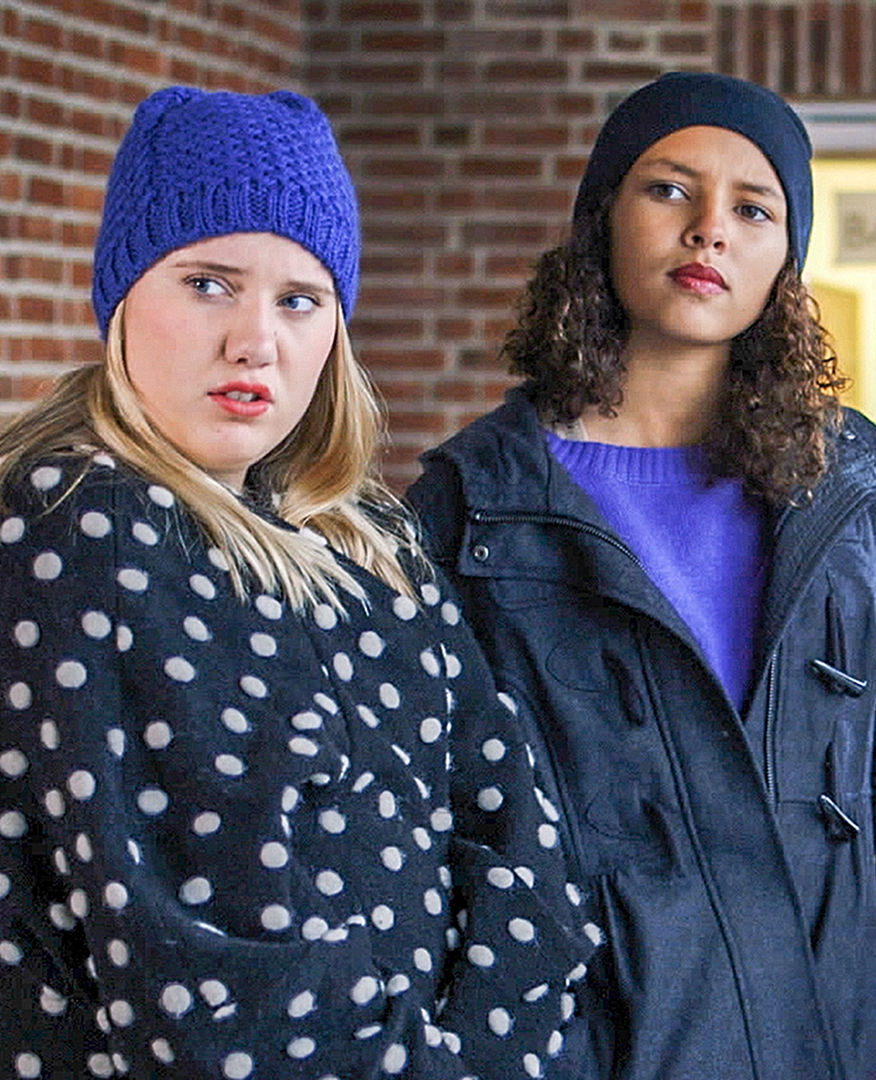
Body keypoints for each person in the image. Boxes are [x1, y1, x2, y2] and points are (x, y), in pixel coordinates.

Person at [0, 86, 590, 1078]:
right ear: (122, 295)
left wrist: (491, 1054)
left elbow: (516, 837)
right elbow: (208, 977)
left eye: (298, 299)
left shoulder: (372, 541)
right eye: (208, 283)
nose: (255, 339)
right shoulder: (80, 529)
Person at [405, 72, 876, 1080]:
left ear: (786, 258)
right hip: (590, 1045)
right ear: (602, 218)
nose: (710, 230)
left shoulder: (849, 473)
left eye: (753, 209)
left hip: (826, 1032)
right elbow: (436, 805)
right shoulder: (475, 499)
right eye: (669, 190)